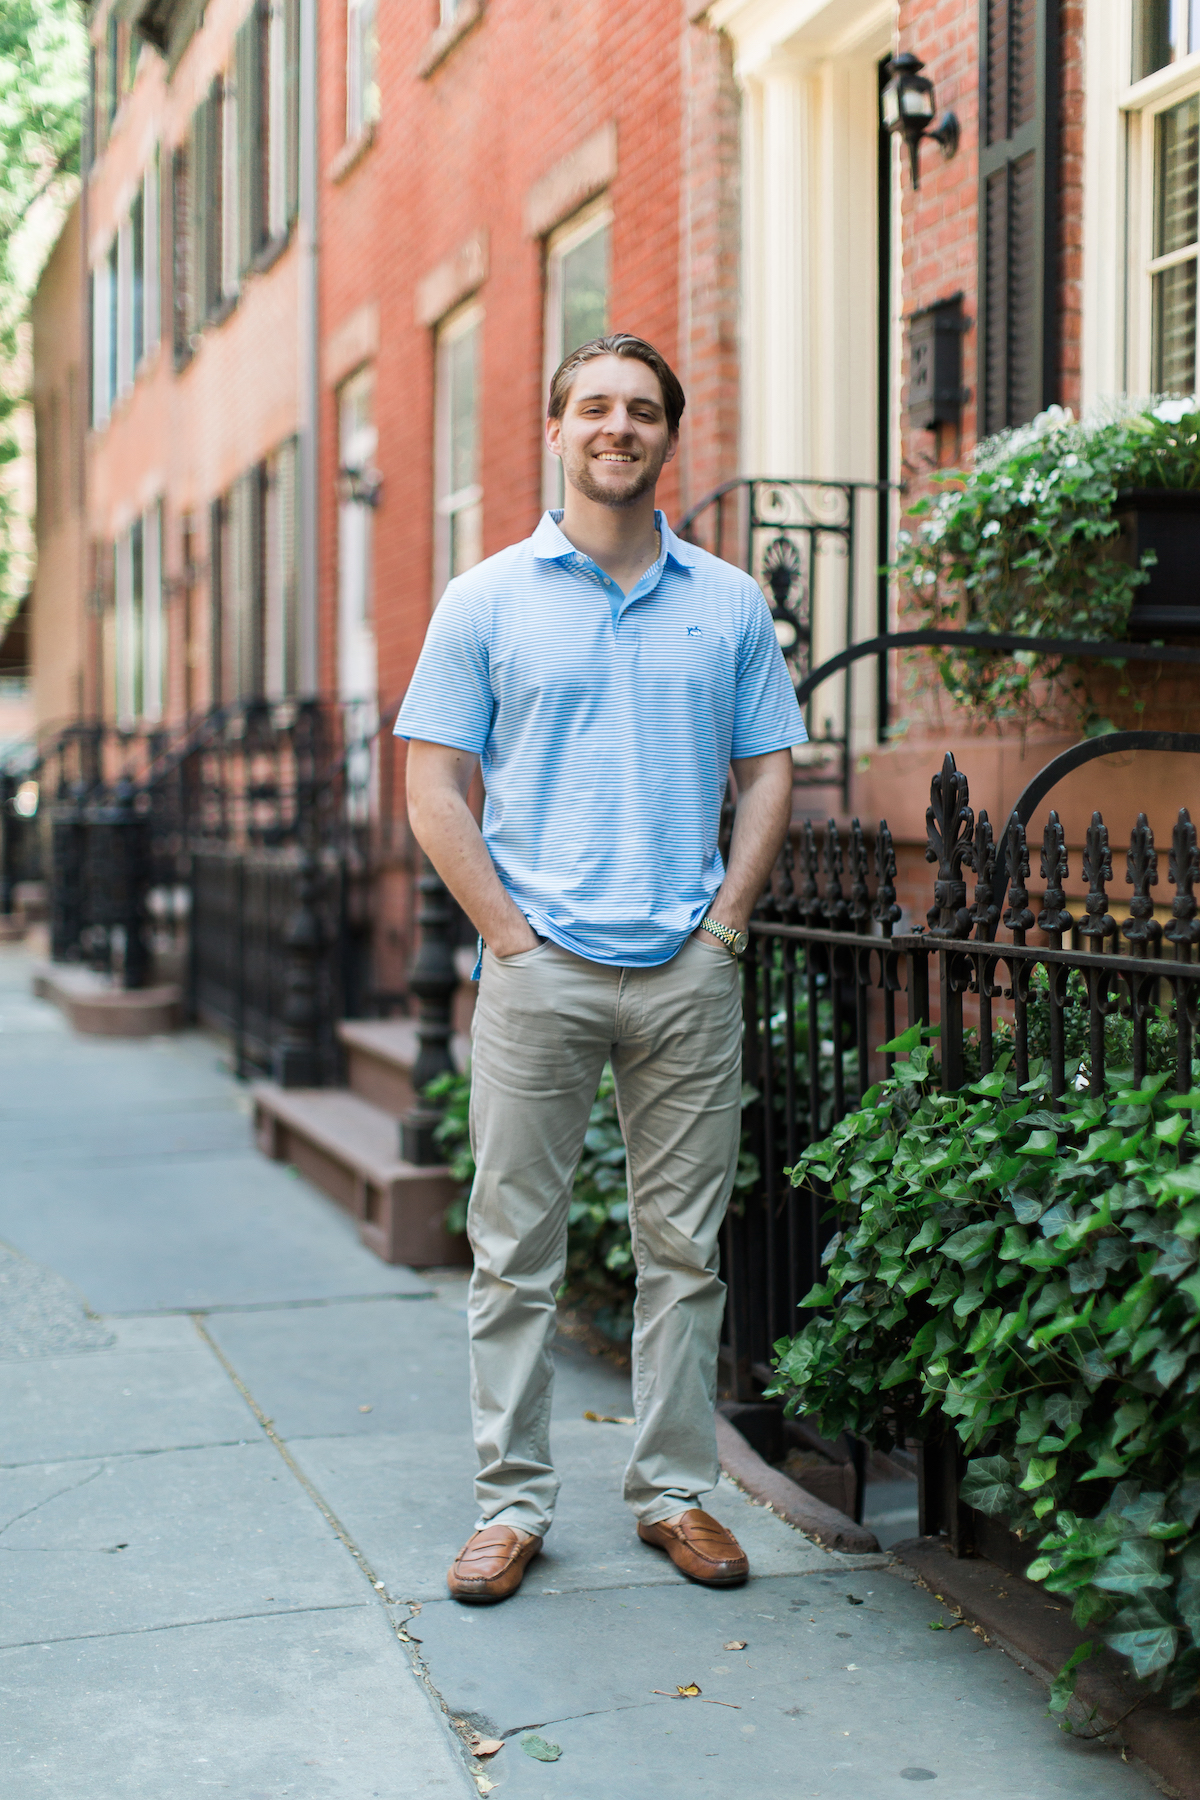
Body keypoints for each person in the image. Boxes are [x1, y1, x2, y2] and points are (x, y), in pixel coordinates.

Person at [397, 332, 806, 1603]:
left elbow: (770, 770)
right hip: (542, 971)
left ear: (668, 438)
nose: (615, 426)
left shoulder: (730, 602)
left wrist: (725, 927)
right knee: (512, 1251)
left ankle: (675, 1494)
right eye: (593, 407)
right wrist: (511, 940)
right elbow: (431, 785)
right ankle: (510, 1506)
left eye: (640, 410)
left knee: (683, 1253)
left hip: (686, 966)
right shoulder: (485, 598)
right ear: (559, 430)